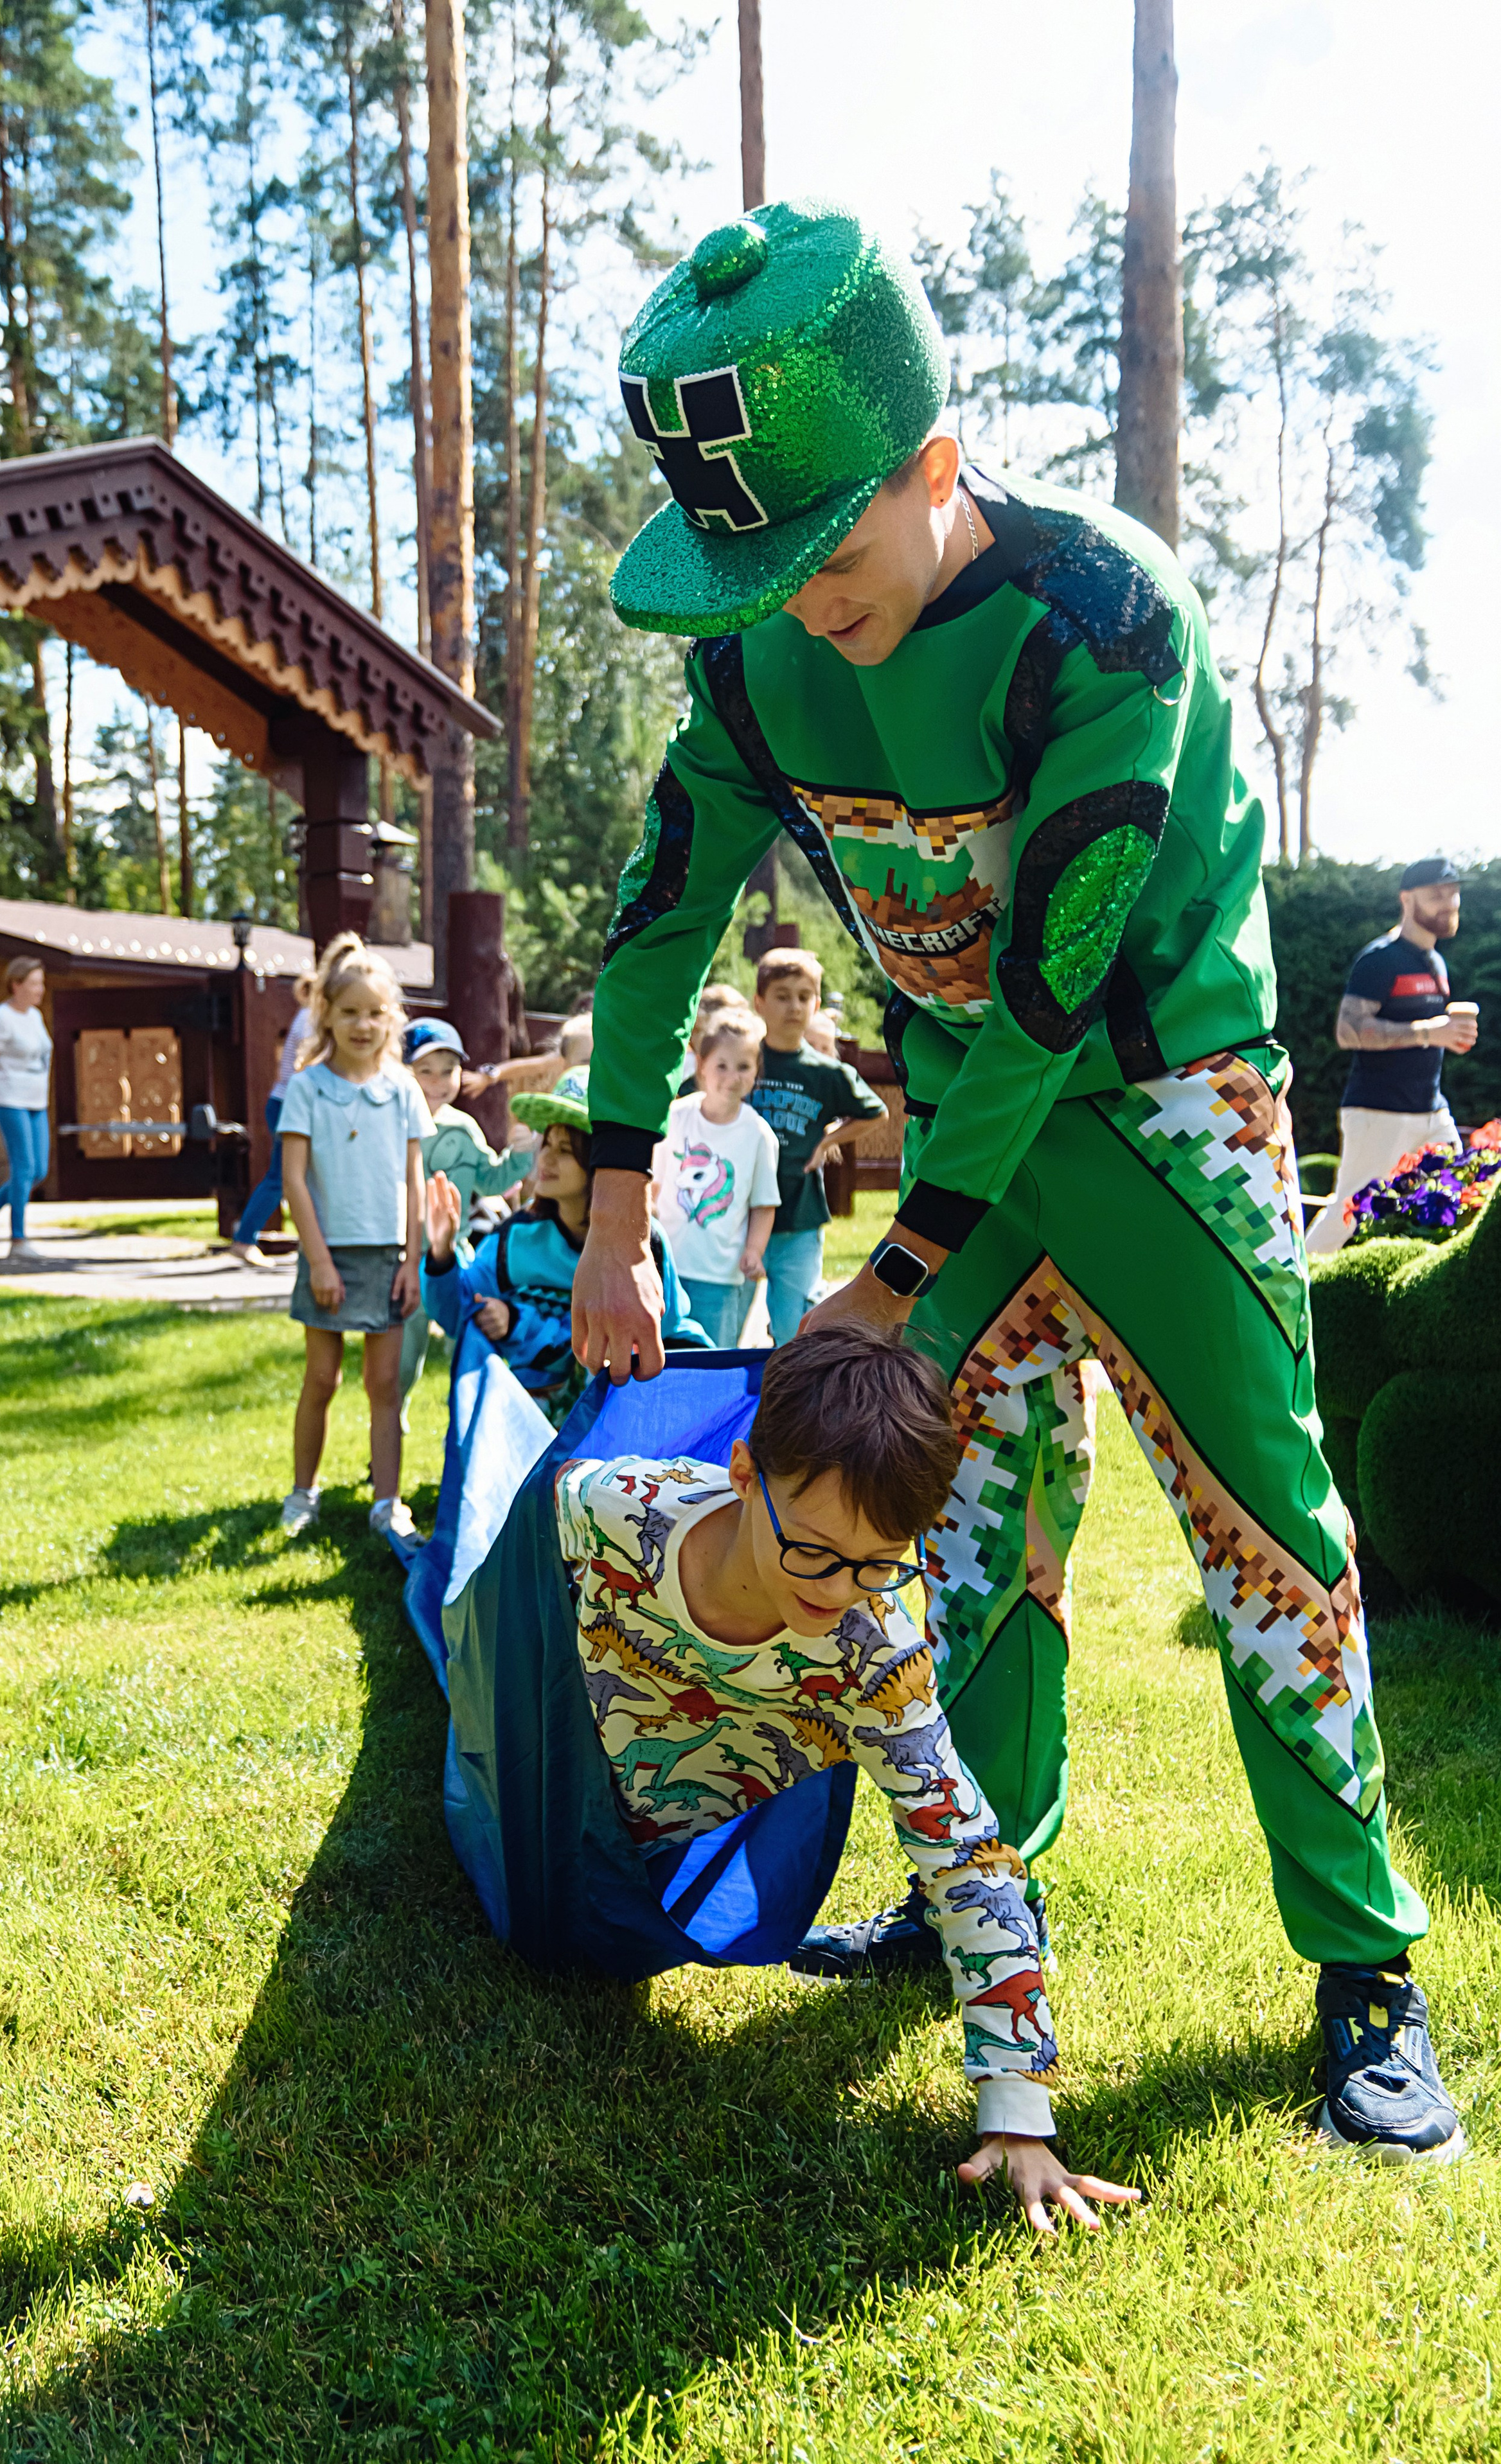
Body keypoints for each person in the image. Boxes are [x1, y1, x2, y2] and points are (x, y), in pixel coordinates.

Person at [574, 197, 1463, 2161]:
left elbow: (1057, 985)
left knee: (1264, 1538)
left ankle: (1365, 1974)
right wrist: (618, 1211)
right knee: (946, 1529)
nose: (799, 601)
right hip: (966, 1127)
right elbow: (653, 930)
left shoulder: (1100, 618)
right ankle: (981, 1888)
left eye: (830, 549)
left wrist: (892, 1279)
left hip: (1156, 1111)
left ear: (937, 467)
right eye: (758, 564)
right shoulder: (747, 663)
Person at [555, 1326, 1139, 2235]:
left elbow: (968, 1859)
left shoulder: (873, 1656)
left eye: (880, 1562)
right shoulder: (615, 1508)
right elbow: (515, 1573)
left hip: (672, 1840)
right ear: (745, 1473)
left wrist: (1017, 2100)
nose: (839, 1590)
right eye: (817, 1551)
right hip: (571, 1788)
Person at [423, 1068, 705, 1427]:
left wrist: (518, 1322)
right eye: (548, 1145)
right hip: (526, 1430)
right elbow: (454, 1314)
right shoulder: (515, 1239)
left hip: (615, 1423)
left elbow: (670, 1334)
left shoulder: (644, 1241)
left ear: (597, 1163)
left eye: (566, 1150)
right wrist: (442, 1252)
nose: (546, 1160)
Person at [277, 934, 428, 1541]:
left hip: (389, 1258)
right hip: (329, 1255)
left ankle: (387, 1502)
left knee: (385, 1384)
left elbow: (415, 1180)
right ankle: (302, 1493)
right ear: (327, 1016)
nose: (362, 1024)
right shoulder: (309, 1087)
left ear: (391, 1018)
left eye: (375, 1012)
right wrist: (319, 1260)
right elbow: (293, 1176)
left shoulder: (404, 1090)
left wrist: (412, 1261)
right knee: (321, 1379)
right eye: (349, 1012)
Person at [1305, 859, 1479, 1257]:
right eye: (1436, 894)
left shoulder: (1436, 962)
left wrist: (1450, 1035)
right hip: (1378, 1113)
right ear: (1406, 899)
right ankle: (1293, 1292)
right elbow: (1348, 1031)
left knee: (1466, 1190)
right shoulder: (1379, 959)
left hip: (1431, 1111)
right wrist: (1428, 1032)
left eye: (1453, 892)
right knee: (1346, 1215)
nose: (1449, 902)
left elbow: (1432, 1030)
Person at [749, 950, 887, 1344]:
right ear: (759, 1001)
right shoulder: (742, 1059)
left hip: (800, 1212)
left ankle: (787, 1402)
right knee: (723, 1328)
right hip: (736, 1212)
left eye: (804, 996)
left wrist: (828, 1140)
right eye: (781, 995)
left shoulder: (827, 1073)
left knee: (794, 1329)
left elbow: (876, 1114)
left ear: (816, 1003)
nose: (794, 1006)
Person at [398, 1018, 526, 1424]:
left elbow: (492, 1180)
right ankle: (388, 1432)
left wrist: (523, 1155)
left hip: (457, 1260)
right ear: (405, 1073)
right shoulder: (392, 1126)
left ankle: (463, 1445)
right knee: (401, 1365)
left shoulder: (464, 1127)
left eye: (449, 1070)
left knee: (467, 1356)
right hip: (405, 1261)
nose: (439, 1082)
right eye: (425, 1071)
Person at [652, 1011, 780, 1346]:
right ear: (702, 1065)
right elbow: (654, 1187)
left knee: (711, 1357)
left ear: (756, 1072)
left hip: (720, 1277)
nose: (732, 1077)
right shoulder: (675, 1117)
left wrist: (754, 1250)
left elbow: (764, 1204)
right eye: (722, 1065)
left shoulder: (758, 1135)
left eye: (744, 1067)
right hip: (666, 1268)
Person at [0, 957, 53, 1259]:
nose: (39, 990)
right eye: (33, 984)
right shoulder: (1, 1019)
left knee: (38, 1169)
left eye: (41, 984)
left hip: (35, 1100)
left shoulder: (35, 1016)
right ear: (16, 985)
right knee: (24, 1167)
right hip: (10, 1099)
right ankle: (18, 1241)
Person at [229, 979, 315, 1268]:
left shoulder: (309, 1016)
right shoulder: (311, 1019)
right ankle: (244, 1239)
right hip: (289, 1104)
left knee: (296, 1175)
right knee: (281, 1176)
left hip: (288, 1102)